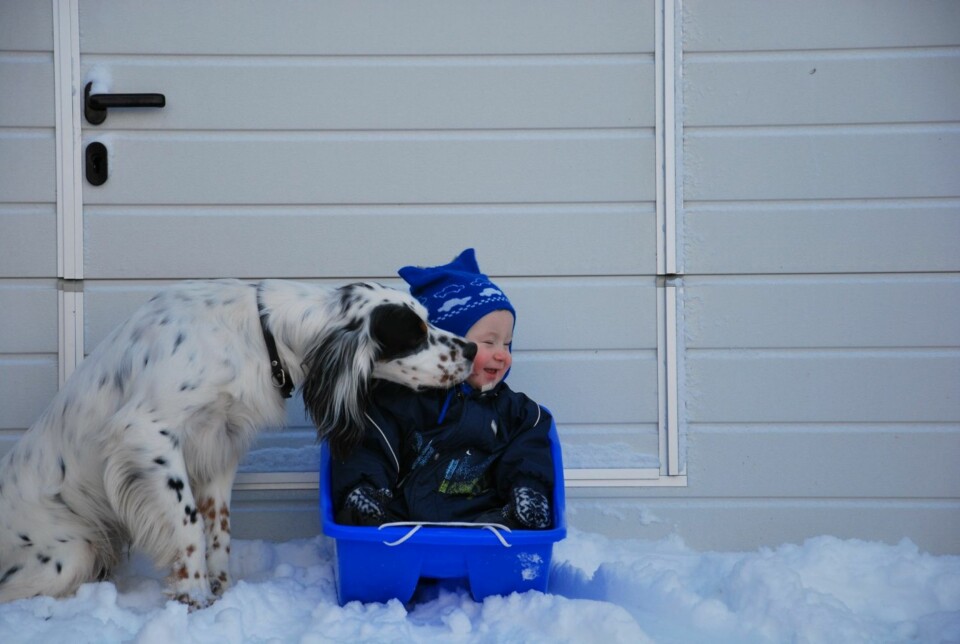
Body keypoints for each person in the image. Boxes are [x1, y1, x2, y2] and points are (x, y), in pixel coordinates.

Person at [330, 248, 554, 530]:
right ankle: (363, 503)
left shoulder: (519, 414)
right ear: (450, 345)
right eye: (489, 342)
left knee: (511, 523)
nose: (502, 354)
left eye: (507, 343)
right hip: (400, 526)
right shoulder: (400, 400)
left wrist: (528, 490)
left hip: (483, 528)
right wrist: (365, 489)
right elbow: (367, 447)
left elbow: (529, 453)